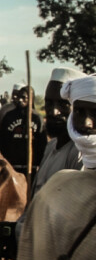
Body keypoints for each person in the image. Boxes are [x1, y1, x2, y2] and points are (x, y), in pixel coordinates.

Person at [4, 75, 96, 260]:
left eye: (62, 105)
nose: (87, 122)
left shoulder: (78, 160)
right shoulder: (53, 149)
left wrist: (21, 233)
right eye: (79, 111)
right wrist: (18, 231)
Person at [32, 67, 86, 195]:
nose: (53, 111)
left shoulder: (81, 154)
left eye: (63, 104)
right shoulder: (51, 146)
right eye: (49, 103)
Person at [0, 86, 47, 175]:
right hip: (11, 166)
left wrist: (39, 163)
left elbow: (42, 143)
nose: (20, 100)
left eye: (24, 98)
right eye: (19, 97)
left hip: (30, 168)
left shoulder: (37, 118)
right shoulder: (9, 116)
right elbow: (1, 139)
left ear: (31, 99)